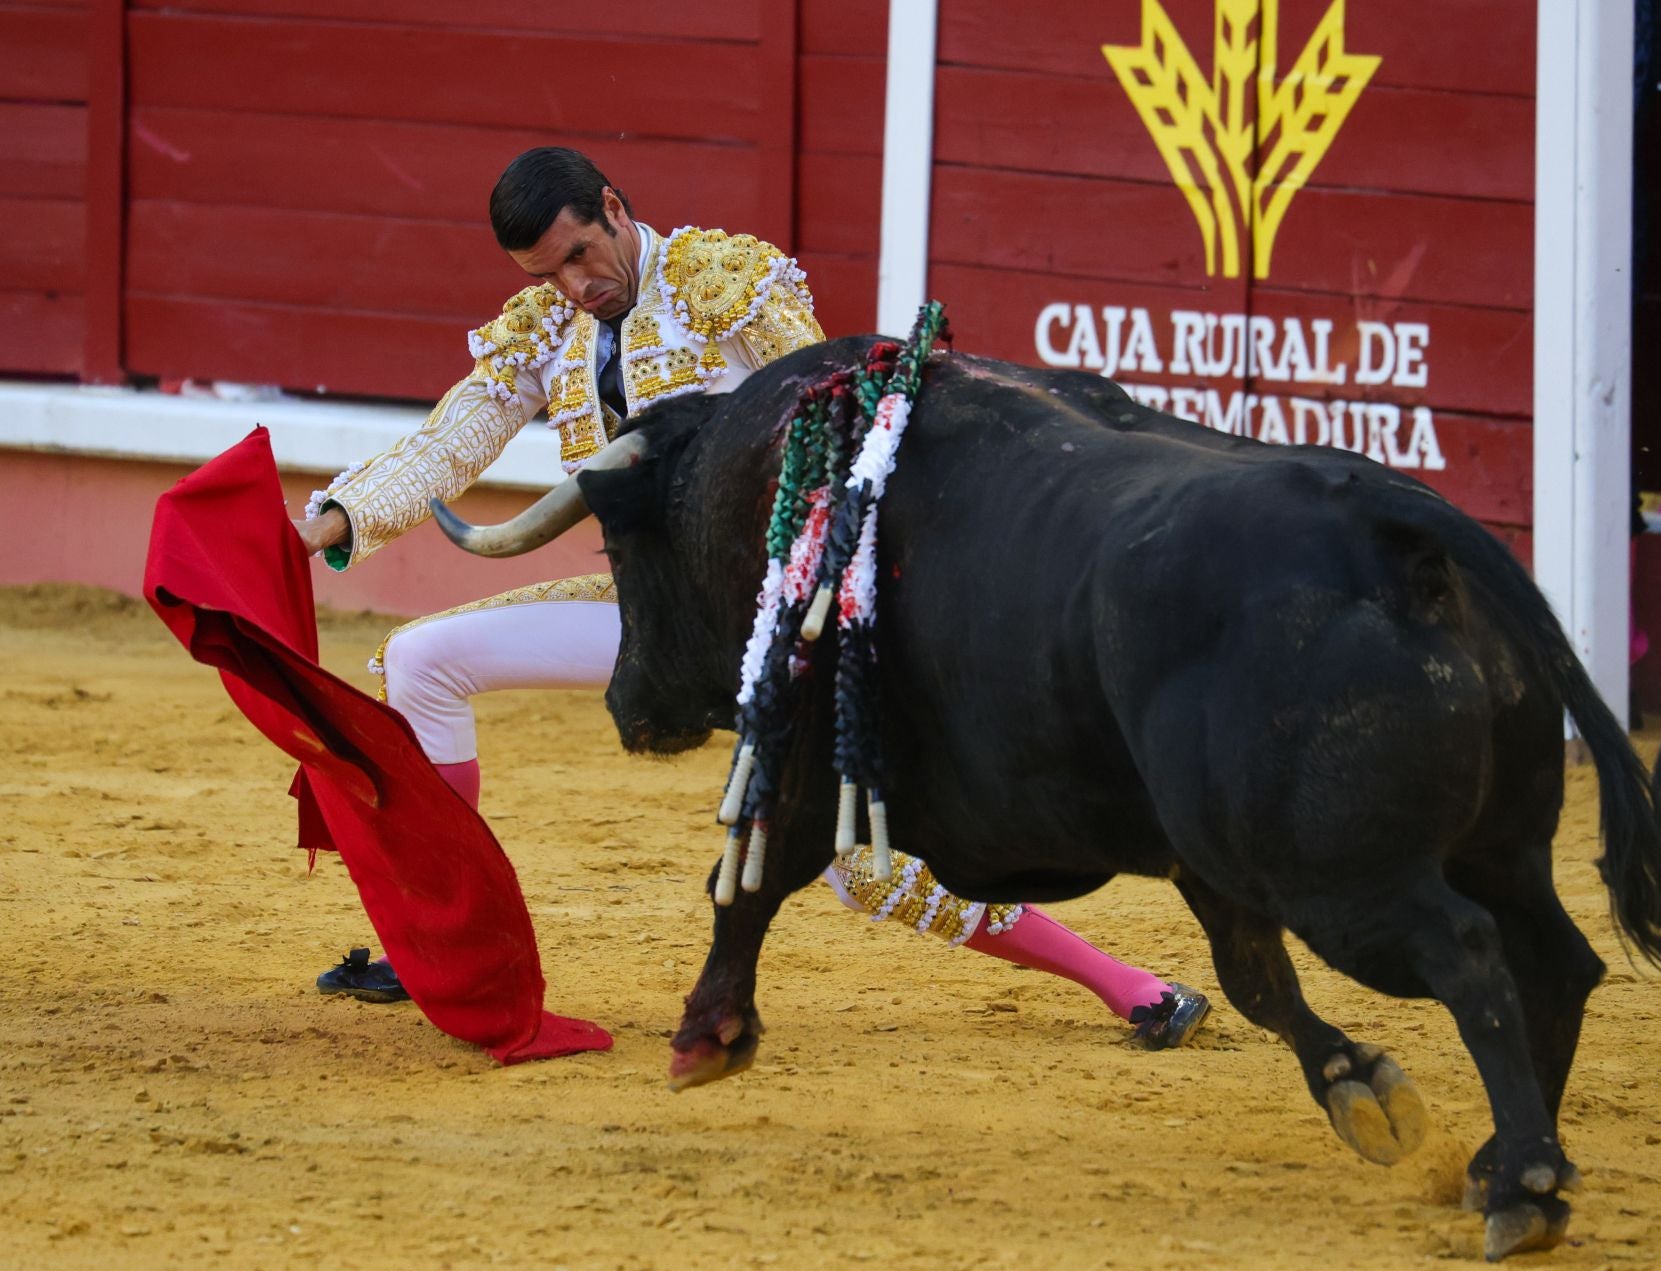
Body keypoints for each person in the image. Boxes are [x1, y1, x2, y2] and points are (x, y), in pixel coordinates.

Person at [289, 147, 1209, 1049]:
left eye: (579, 255)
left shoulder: (720, 281)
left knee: (862, 861)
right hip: (658, 621)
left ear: (614, 209)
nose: (573, 286)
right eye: (546, 274)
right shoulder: (542, 328)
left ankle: (1129, 984)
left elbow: (835, 412)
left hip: (784, 621)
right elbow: (450, 440)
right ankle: (444, 949)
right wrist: (332, 519)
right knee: (420, 660)